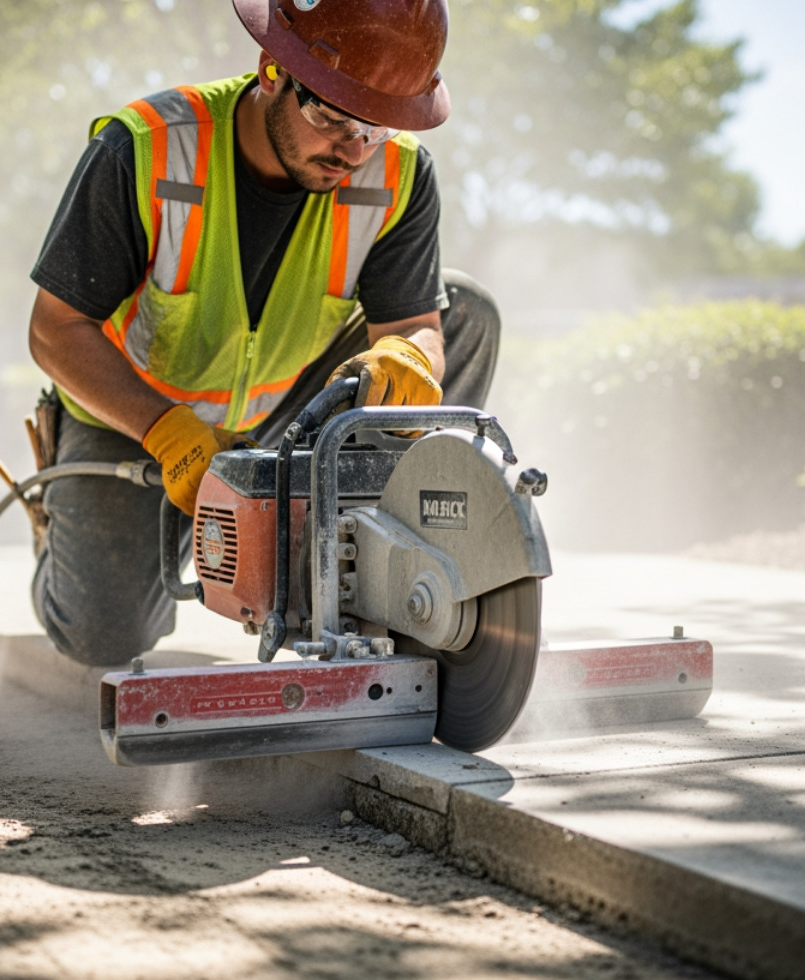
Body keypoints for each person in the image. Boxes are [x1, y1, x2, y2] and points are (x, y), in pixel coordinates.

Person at [27, 0, 499, 666]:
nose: (355, 149)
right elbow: (54, 331)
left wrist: (409, 353)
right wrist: (166, 432)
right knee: (106, 637)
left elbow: (417, 325)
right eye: (334, 116)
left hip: (288, 416)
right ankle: (63, 526)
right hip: (133, 418)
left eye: (378, 127)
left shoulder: (398, 175)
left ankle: (377, 570)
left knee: (467, 315)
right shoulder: (147, 148)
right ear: (271, 69)